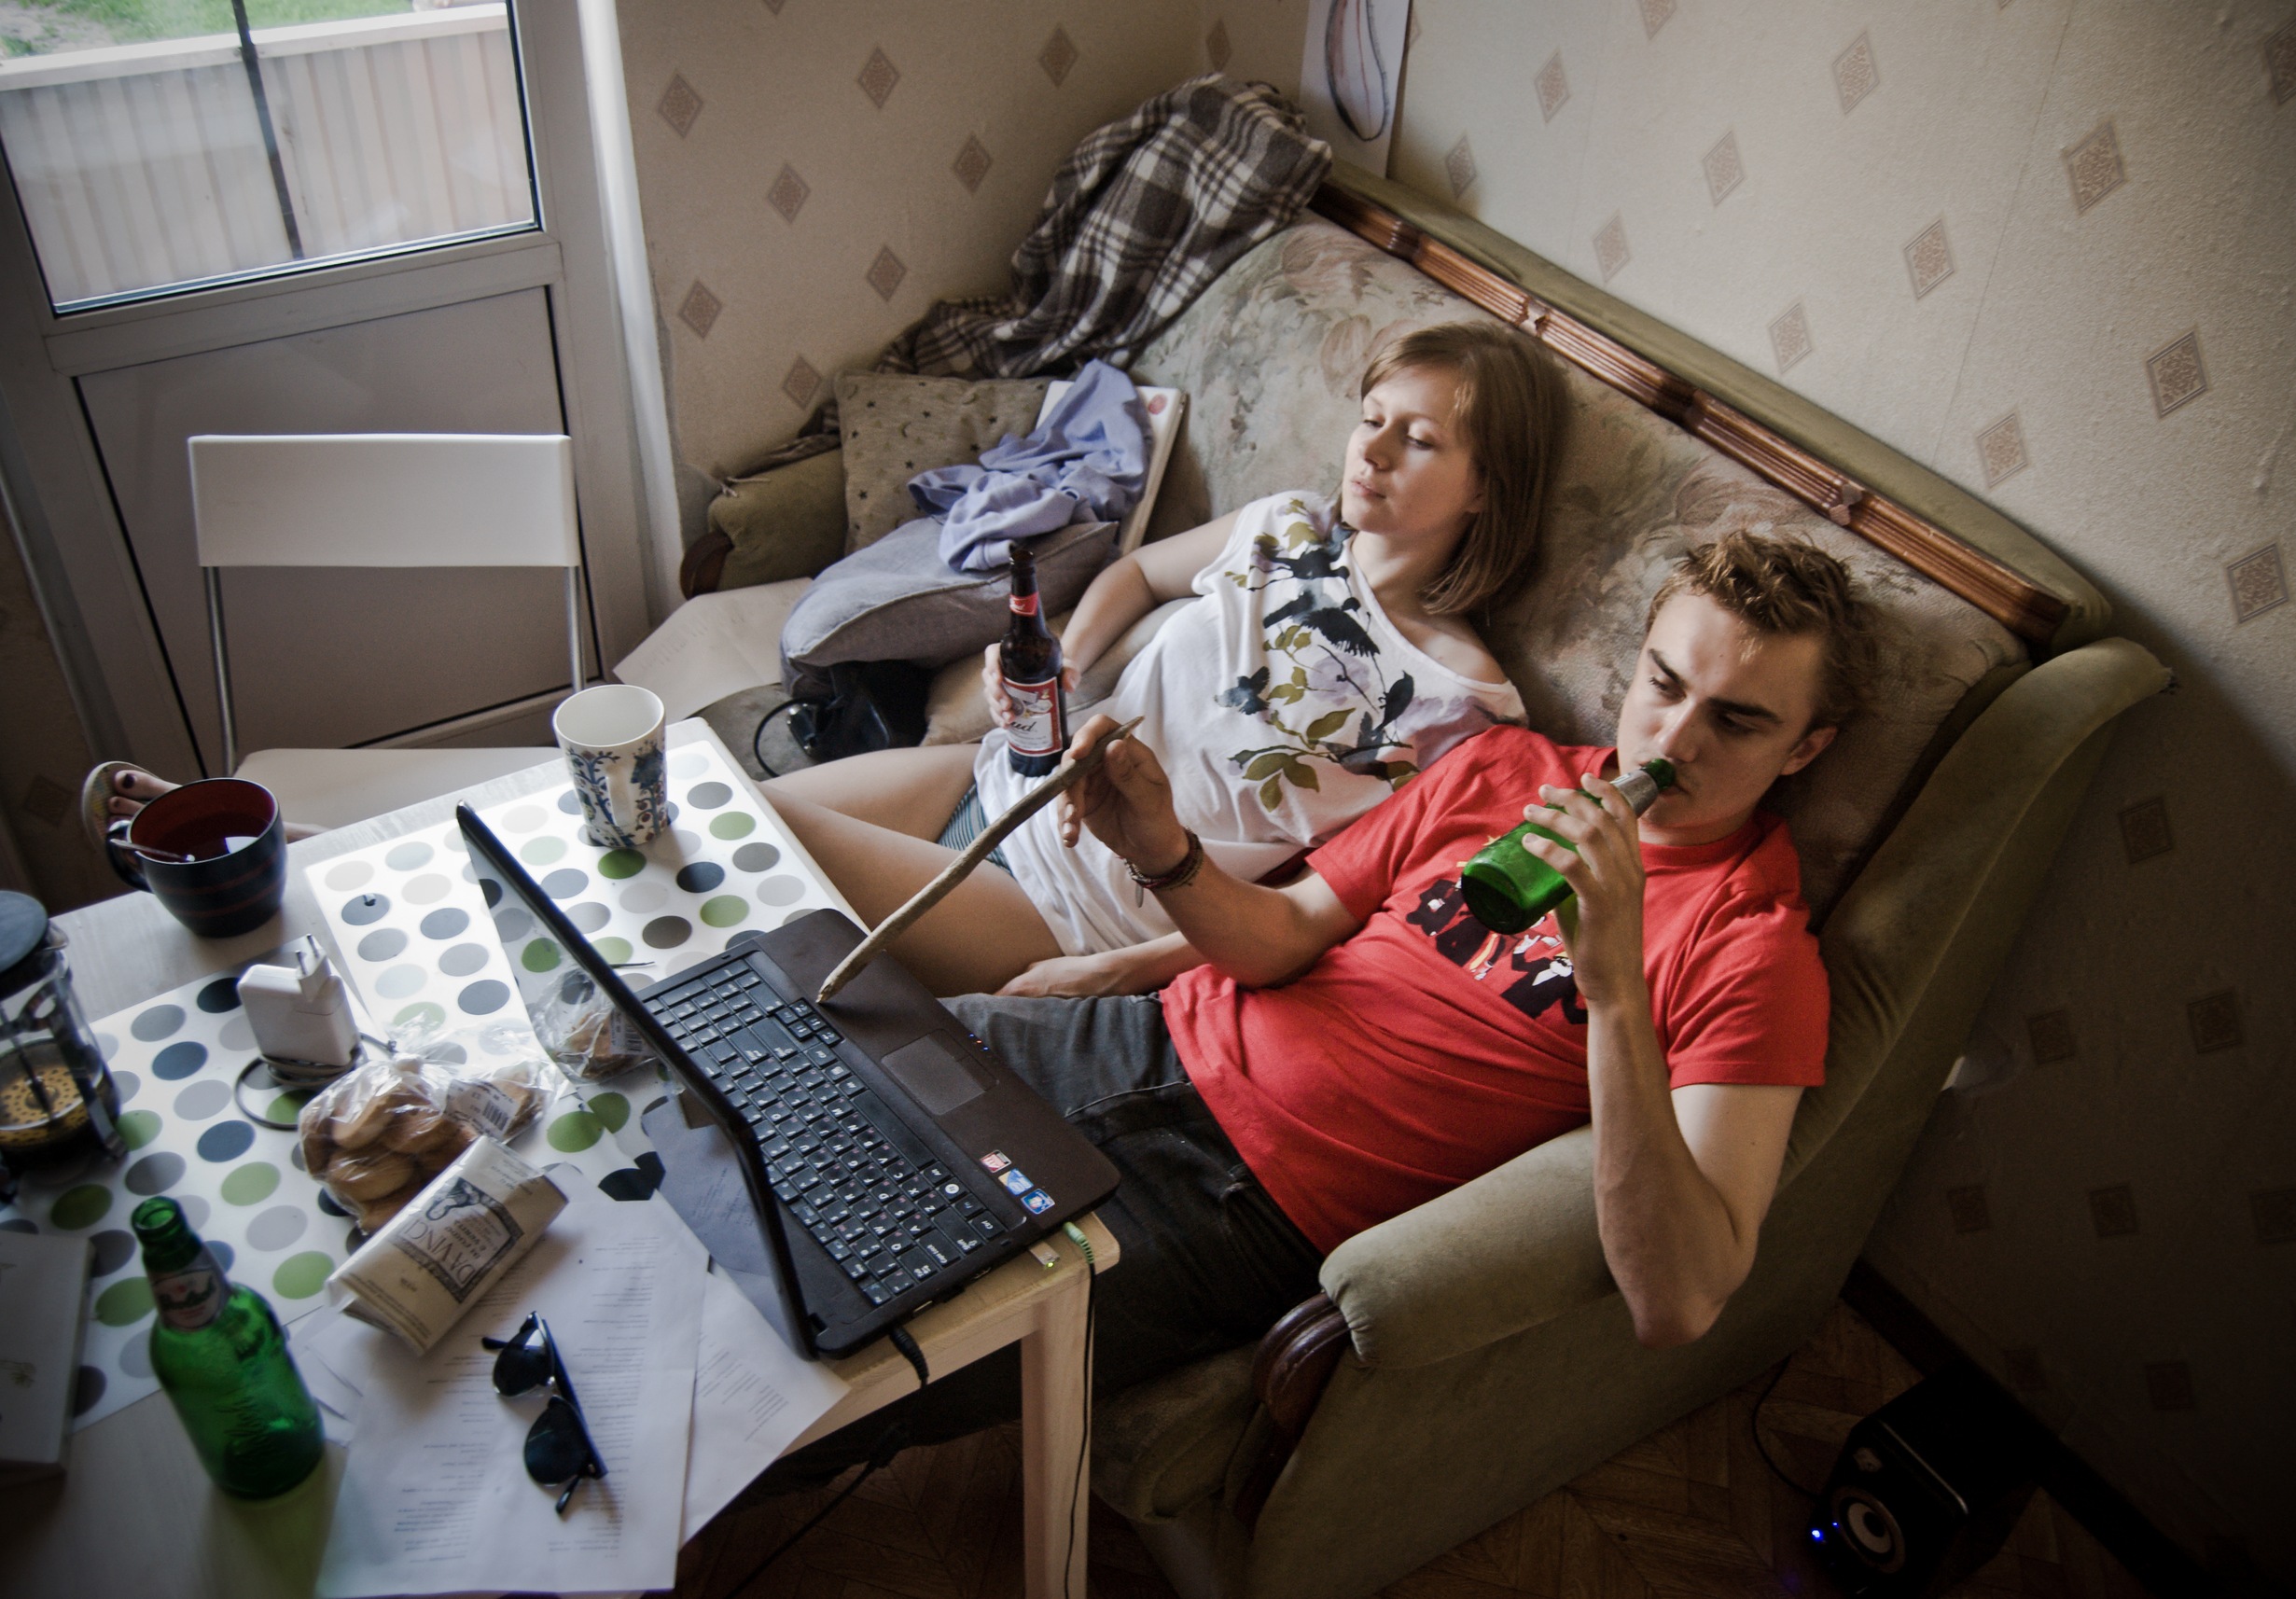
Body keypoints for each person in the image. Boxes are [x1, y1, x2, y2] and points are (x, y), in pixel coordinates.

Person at [781, 530, 1877, 1472]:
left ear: (1806, 749)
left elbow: (1681, 1297)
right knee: (802, 1083)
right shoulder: (1502, 769)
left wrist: (1617, 990)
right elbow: (1287, 932)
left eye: (1737, 722)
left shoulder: (1755, 949)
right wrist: (1164, 851)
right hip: (1151, 1037)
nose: (1674, 742)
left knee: (852, 1351)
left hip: (1243, 1202)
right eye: (1664, 684)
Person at [759, 322, 1569, 998]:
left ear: (1485, 489)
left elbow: (1331, 901)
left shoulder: (1465, 707)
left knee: (764, 851)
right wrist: (1059, 668)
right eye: (1371, 419)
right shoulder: (1284, 525)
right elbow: (1140, 574)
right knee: (736, 816)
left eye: (1419, 439)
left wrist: (1119, 971)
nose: (1374, 452)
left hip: (1077, 908)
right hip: (999, 782)